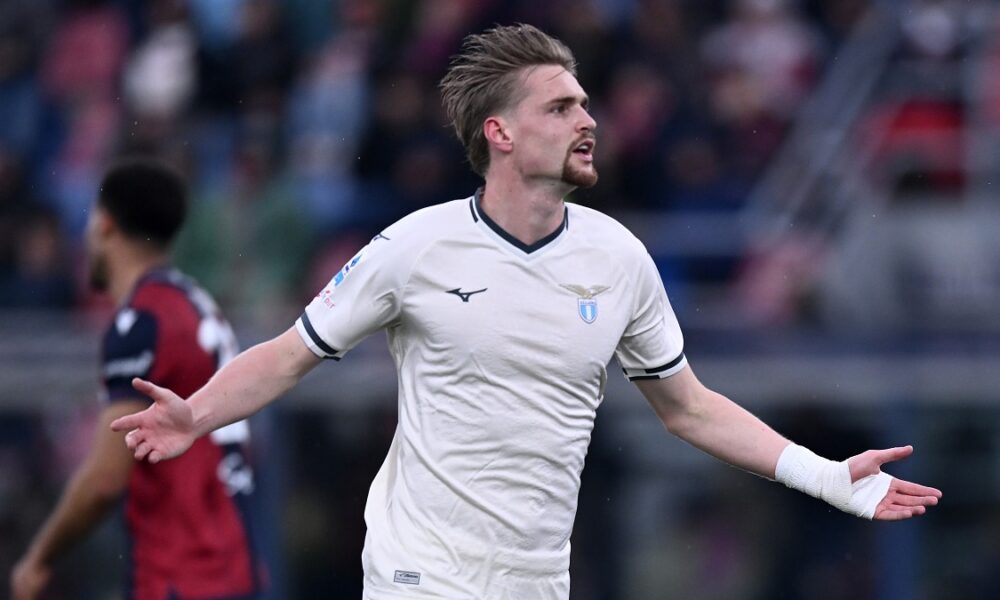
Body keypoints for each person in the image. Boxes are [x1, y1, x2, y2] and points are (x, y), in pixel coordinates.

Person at [109, 25, 941, 600]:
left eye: (584, 103)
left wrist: (824, 475)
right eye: (560, 108)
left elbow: (688, 408)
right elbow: (291, 353)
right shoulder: (416, 246)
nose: (588, 120)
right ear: (500, 133)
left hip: (538, 581)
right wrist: (198, 414)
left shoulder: (618, 259)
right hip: (418, 577)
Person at [11, 159, 266, 600]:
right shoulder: (194, 301)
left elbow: (105, 480)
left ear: (105, 225)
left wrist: (39, 558)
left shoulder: (142, 321)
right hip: (231, 562)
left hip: (183, 572)